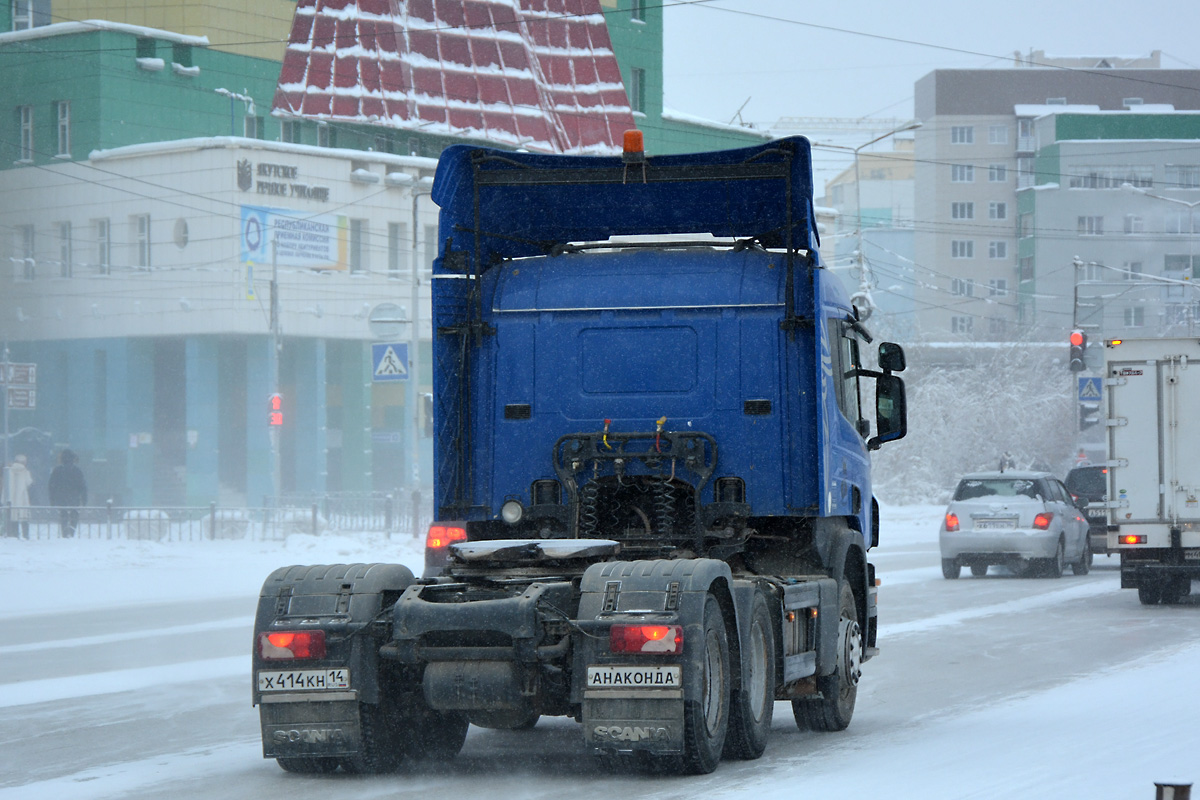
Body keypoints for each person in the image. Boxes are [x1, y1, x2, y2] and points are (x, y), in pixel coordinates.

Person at [48, 449, 87, 538]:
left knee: (63, 515)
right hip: (74, 498)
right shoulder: (77, 471)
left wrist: (52, 499)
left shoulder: (57, 470)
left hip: (61, 498)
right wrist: (84, 499)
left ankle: (65, 533)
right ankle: (72, 532)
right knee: (74, 515)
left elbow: (52, 486)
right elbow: (83, 486)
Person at [5, 454, 34, 539]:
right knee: (24, 516)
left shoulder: (9, 470)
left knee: (13, 516)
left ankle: (15, 534)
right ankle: (25, 535)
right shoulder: (25, 471)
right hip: (22, 498)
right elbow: (29, 483)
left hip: (11, 498)